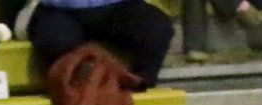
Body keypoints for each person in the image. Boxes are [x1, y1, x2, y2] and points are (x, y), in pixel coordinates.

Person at [22, 0, 173, 90]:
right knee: (52, 41)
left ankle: (136, 88)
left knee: (158, 29)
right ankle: (83, 88)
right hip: (59, 8)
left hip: (117, 5)